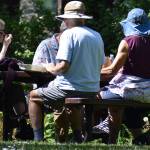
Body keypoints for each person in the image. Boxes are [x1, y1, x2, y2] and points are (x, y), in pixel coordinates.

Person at [28, 0, 105, 142]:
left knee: (33, 96)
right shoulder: (97, 36)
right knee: (71, 103)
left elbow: (63, 67)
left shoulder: (68, 35)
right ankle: (78, 138)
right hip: (92, 89)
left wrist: (49, 67)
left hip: (69, 88)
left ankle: (38, 139)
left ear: (68, 18)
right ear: (82, 18)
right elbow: (100, 66)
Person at [94, 8, 150, 144]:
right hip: (148, 92)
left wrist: (89, 73)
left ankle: (97, 134)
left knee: (94, 96)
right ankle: (139, 138)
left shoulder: (128, 41)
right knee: (125, 108)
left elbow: (112, 71)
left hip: (131, 90)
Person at [32, 22, 83, 143]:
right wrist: (50, 68)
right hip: (46, 84)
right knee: (34, 96)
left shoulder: (75, 45)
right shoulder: (46, 45)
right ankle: (39, 139)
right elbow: (36, 67)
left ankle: (77, 137)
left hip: (68, 86)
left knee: (73, 100)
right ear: (63, 34)